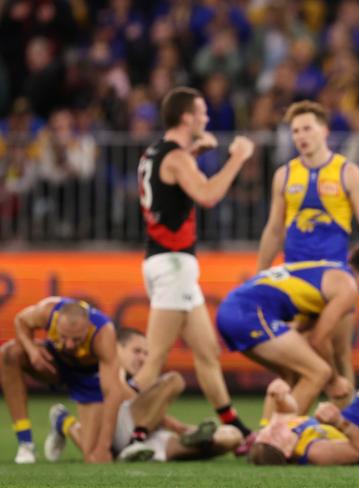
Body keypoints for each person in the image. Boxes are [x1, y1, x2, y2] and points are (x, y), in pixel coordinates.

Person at [133, 86, 255, 449]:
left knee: (207, 352)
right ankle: (124, 428)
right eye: (201, 112)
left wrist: (193, 153)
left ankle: (237, 428)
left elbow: (172, 186)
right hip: (173, 263)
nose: (206, 118)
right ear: (186, 117)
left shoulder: (156, 152)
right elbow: (207, 194)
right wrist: (238, 158)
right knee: (155, 357)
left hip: (164, 260)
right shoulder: (176, 158)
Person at [256, 100, 359, 386]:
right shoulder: (283, 176)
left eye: (307, 128)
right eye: (295, 131)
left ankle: (349, 427)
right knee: (292, 355)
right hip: (294, 278)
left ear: (324, 131)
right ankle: (290, 426)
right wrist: (260, 276)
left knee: (340, 353)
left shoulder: (347, 172)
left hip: (335, 278)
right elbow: (273, 230)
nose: (301, 136)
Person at [217, 244, 359, 413]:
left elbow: (302, 332)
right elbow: (319, 339)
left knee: (293, 373)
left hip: (234, 308)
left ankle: (265, 434)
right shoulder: (348, 287)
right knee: (319, 372)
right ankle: (280, 437)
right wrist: (334, 379)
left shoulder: (331, 272)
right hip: (248, 312)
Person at [44, 327, 242, 462]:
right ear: (116, 348)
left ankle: (135, 445)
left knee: (231, 437)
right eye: (137, 351)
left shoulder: (133, 385)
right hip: (114, 431)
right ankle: (65, 421)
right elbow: (125, 401)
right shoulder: (105, 368)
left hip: (143, 438)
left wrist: (186, 430)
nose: (142, 358)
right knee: (174, 380)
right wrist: (179, 426)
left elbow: (148, 412)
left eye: (146, 353)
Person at [0, 297, 126, 464]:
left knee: (92, 455)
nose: (69, 345)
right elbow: (20, 321)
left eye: (76, 339)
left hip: (88, 378)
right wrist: (32, 350)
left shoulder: (103, 333)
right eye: (64, 337)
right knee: (9, 354)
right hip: (53, 364)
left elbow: (113, 393)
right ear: (57, 321)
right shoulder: (47, 311)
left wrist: (103, 446)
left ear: (88, 328)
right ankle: (26, 443)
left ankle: (63, 422)